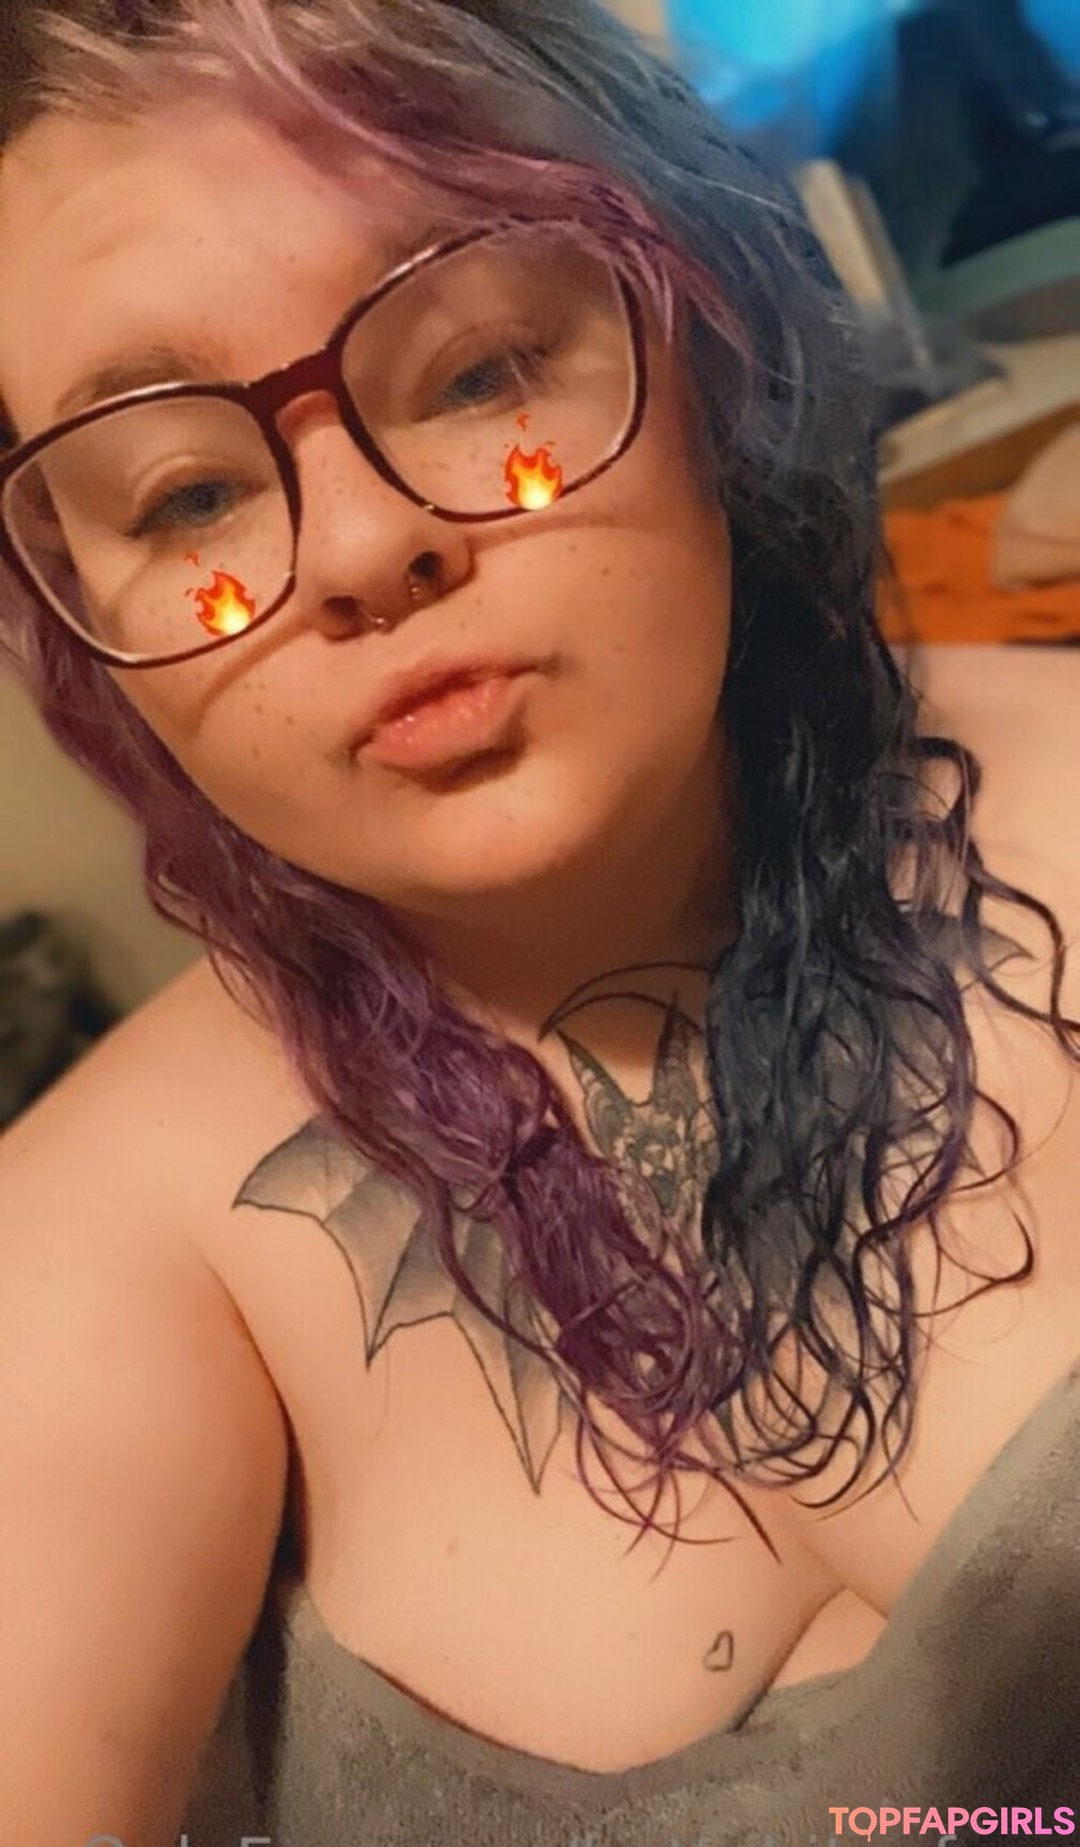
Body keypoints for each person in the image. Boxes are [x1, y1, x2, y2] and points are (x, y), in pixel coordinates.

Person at [0, 2, 1077, 1841]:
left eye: (482, 367)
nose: (362, 550)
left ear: (698, 324)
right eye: (186, 494)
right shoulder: (100, 1249)